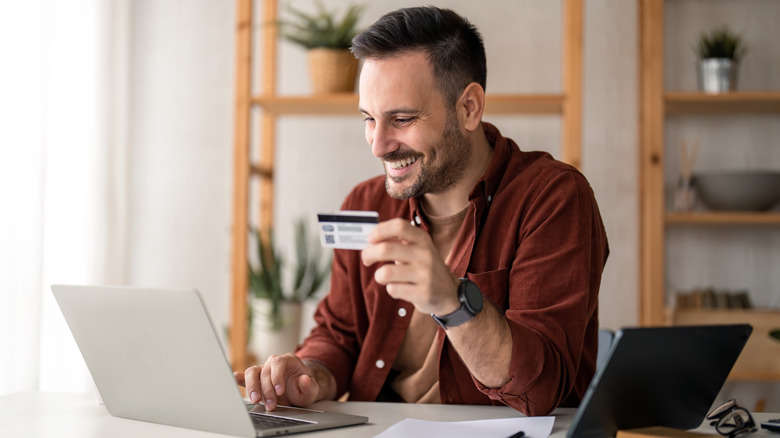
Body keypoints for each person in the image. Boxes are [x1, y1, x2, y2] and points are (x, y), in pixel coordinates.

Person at [235, 5, 608, 416]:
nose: (378, 145)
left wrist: (452, 301)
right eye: (369, 119)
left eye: (402, 118)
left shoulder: (553, 198)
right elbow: (340, 336)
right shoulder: (365, 204)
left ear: (469, 107)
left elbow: (542, 391)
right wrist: (309, 373)